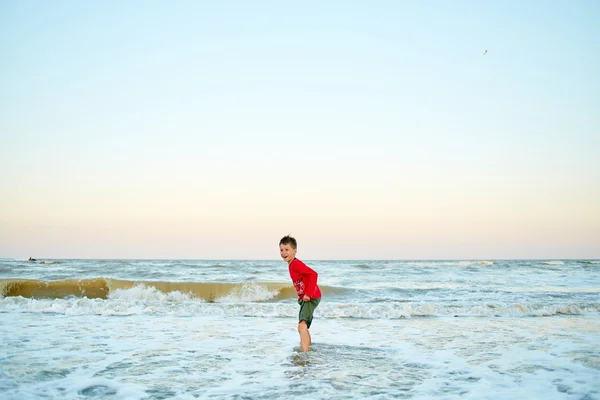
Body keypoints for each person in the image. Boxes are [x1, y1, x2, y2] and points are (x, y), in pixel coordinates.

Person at [279, 235, 322, 352]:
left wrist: (307, 294)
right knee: (304, 325)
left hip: (311, 296)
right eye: (281, 250)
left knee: (301, 326)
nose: (283, 252)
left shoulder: (296, 264)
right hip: (308, 297)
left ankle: (305, 353)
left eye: (287, 249)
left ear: (294, 251)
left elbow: (313, 274)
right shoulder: (291, 264)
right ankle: (308, 347)